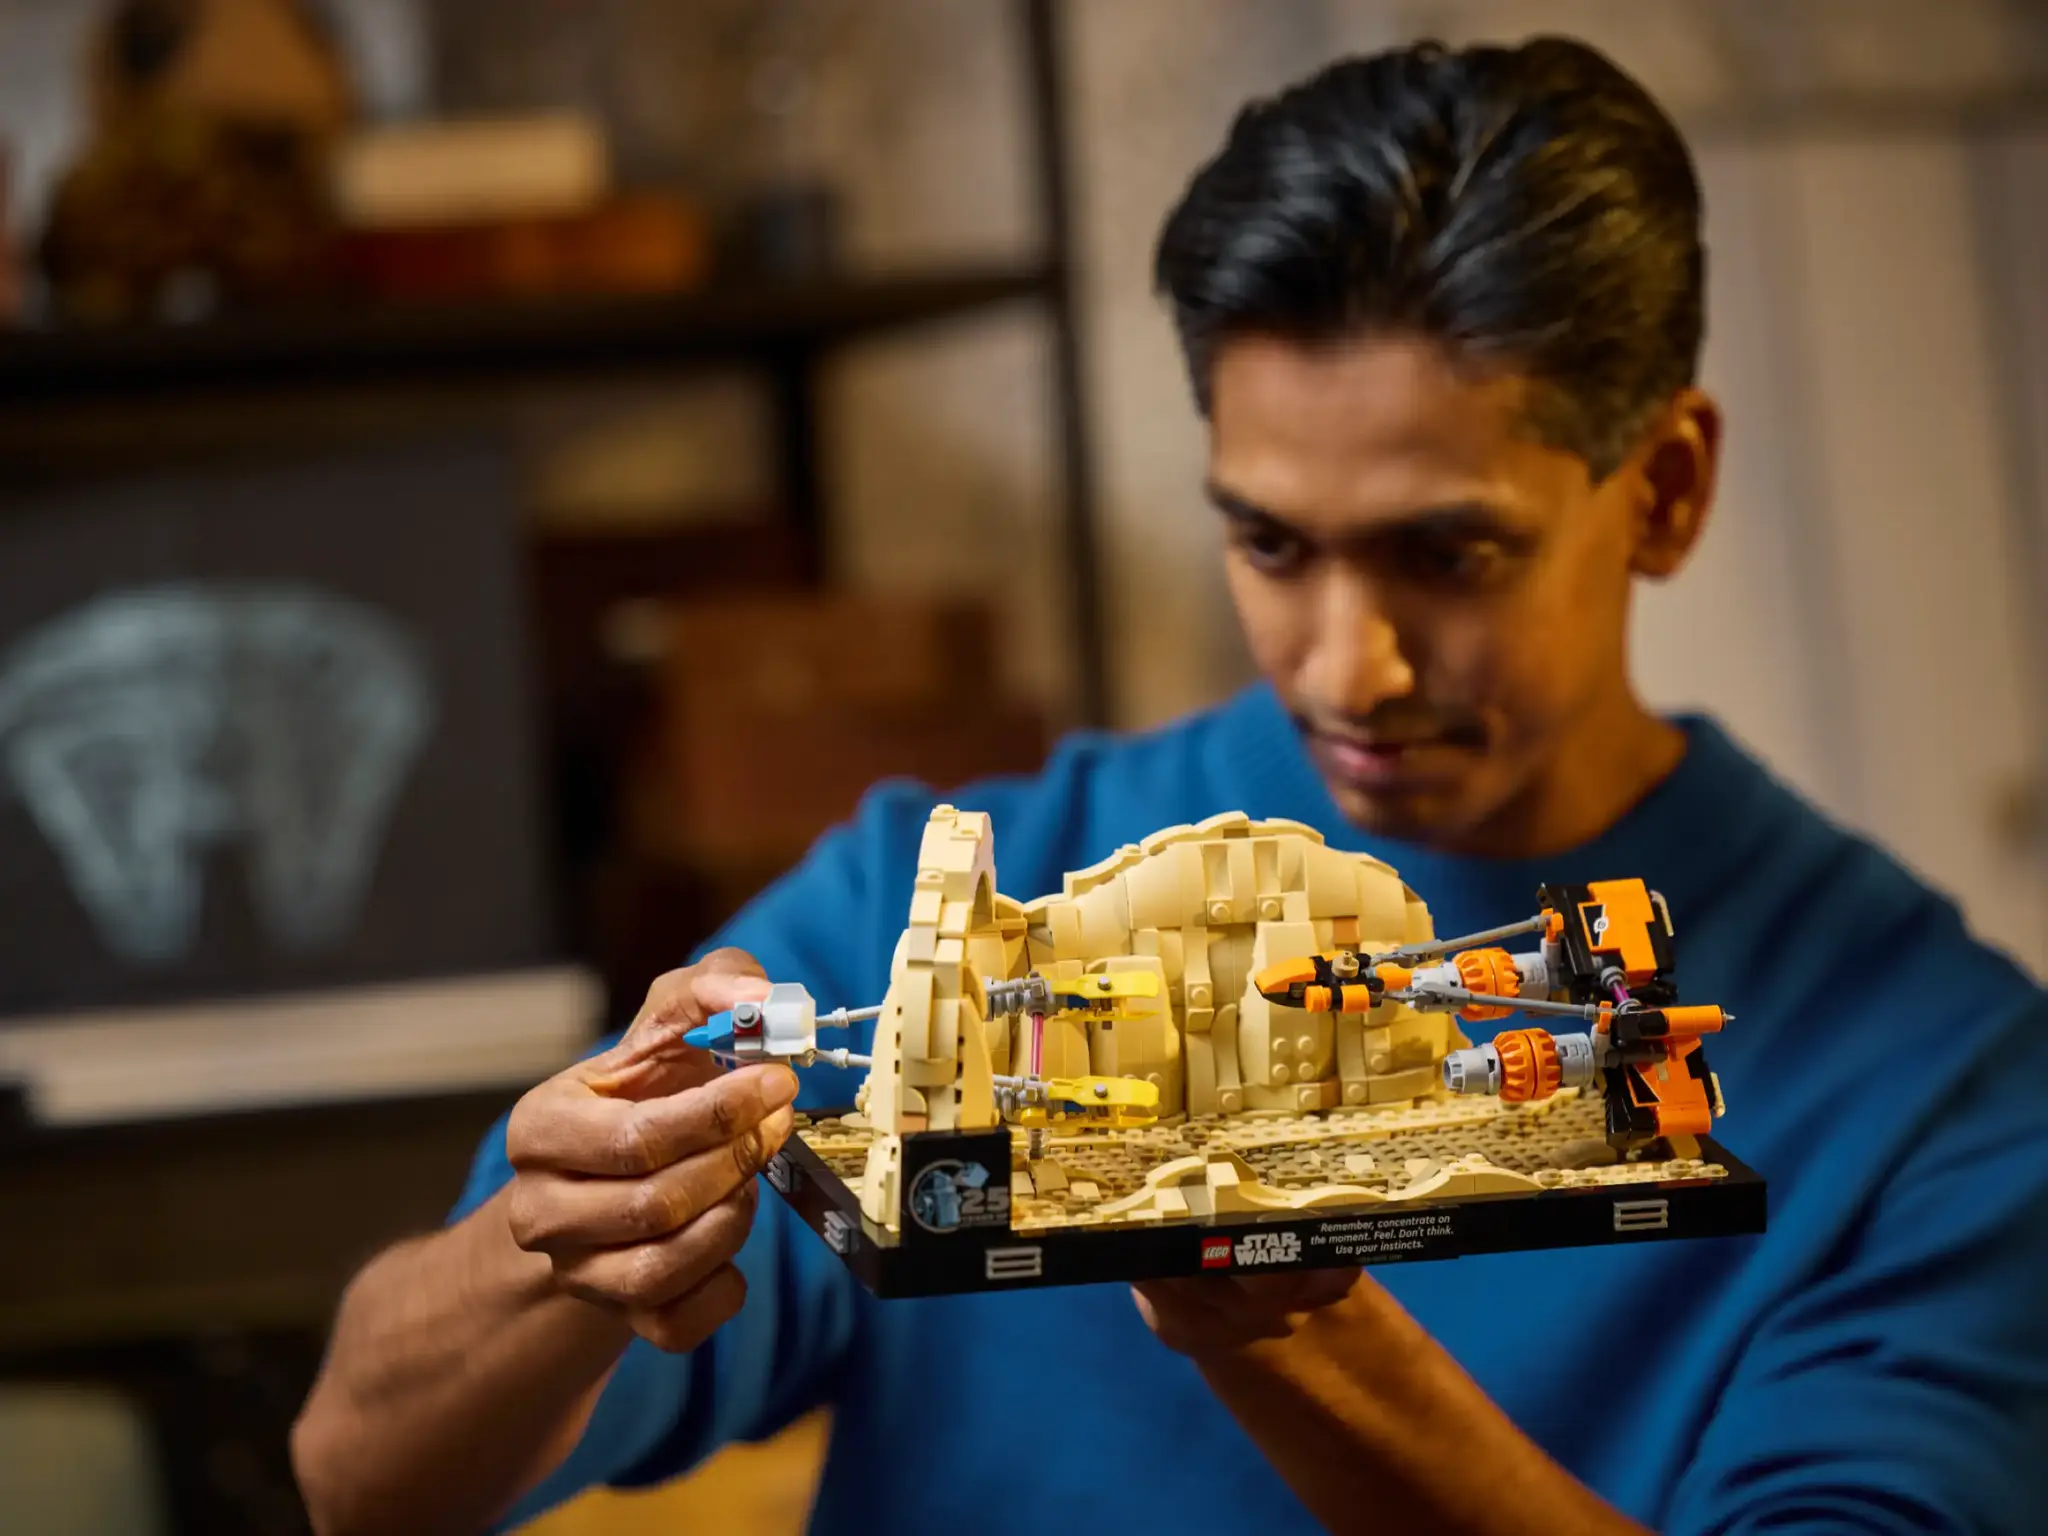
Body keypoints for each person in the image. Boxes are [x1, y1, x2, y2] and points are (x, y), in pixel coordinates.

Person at [292, 35, 2048, 1536]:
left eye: (1448, 555)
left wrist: (1290, 1329)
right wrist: (553, 1251)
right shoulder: (932, 902)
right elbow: (357, 1480)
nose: (1347, 668)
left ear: (1663, 492)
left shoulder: (1945, 1096)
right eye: (1270, 543)